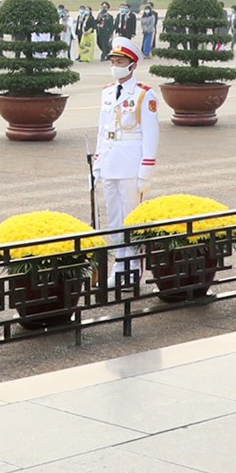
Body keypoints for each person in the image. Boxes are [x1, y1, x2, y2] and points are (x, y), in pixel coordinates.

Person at [93, 37, 159, 289]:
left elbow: (151, 134)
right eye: (113, 61)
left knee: (131, 220)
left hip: (132, 166)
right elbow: (102, 130)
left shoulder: (144, 94)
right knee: (113, 220)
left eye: (120, 62)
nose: (115, 66)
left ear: (132, 65)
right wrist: (97, 165)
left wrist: (146, 171)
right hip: (110, 162)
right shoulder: (108, 92)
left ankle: (132, 270)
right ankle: (118, 267)